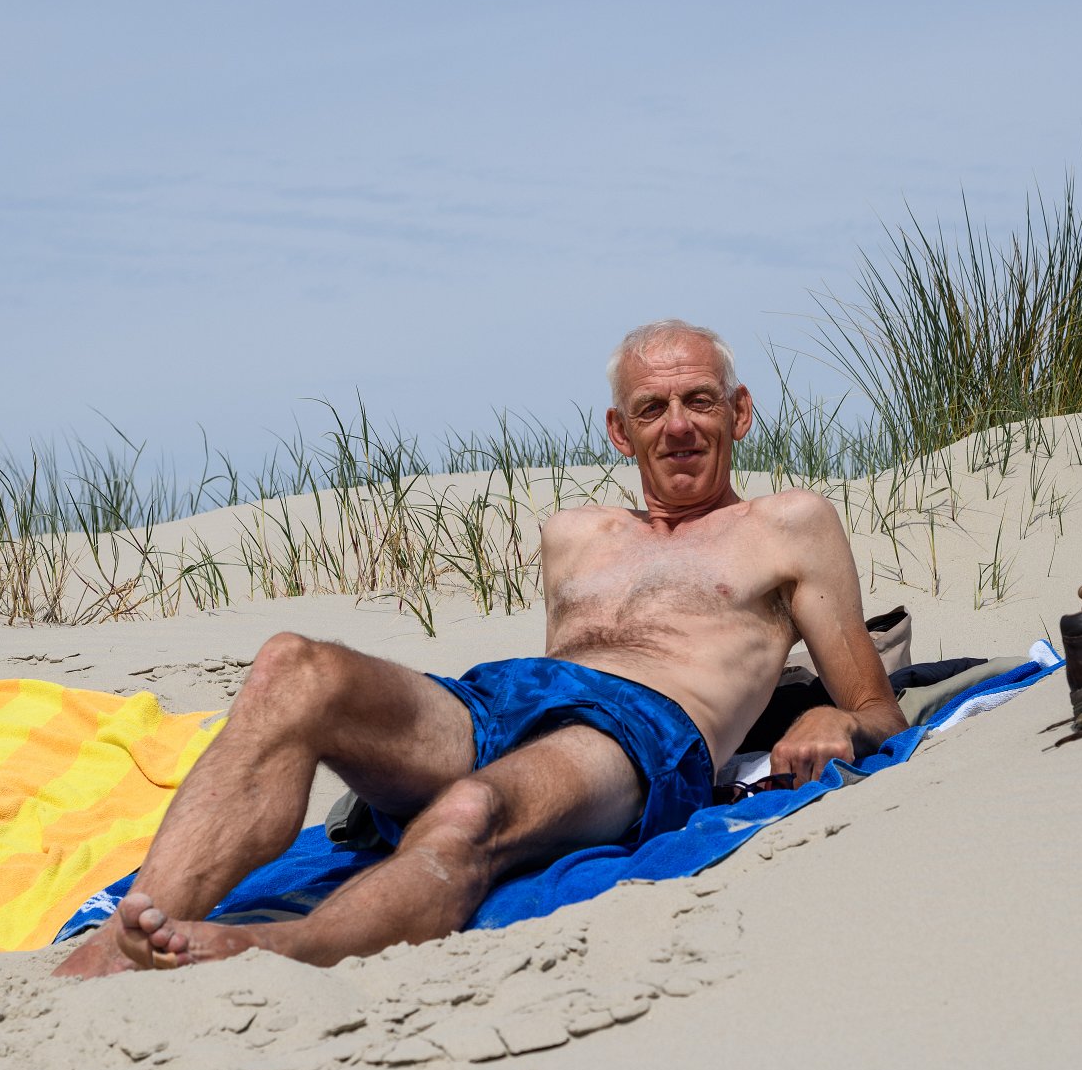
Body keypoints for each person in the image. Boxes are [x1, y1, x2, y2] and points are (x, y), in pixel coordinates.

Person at [54, 319, 905, 977]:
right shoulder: (575, 535)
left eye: (700, 401)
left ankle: (283, 951)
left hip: (645, 730)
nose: (678, 426)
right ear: (620, 431)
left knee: (469, 811)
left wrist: (834, 715)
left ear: (740, 412)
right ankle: (132, 932)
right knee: (292, 666)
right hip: (509, 696)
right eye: (653, 408)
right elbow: (553, 686)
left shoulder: (787, 526)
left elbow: (876, 708)